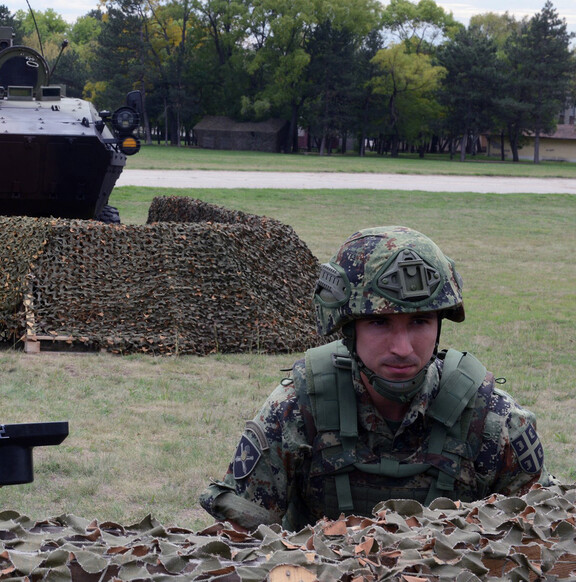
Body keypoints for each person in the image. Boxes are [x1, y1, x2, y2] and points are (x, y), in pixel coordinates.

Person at [200, 226, 547, 530]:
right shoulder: (298, 408)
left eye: (420, 321)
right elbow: (241, 540)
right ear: (347, 329)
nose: (402, 347)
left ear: (440, 325)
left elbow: (540, 538)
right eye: (379, 323)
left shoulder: (494, 421)